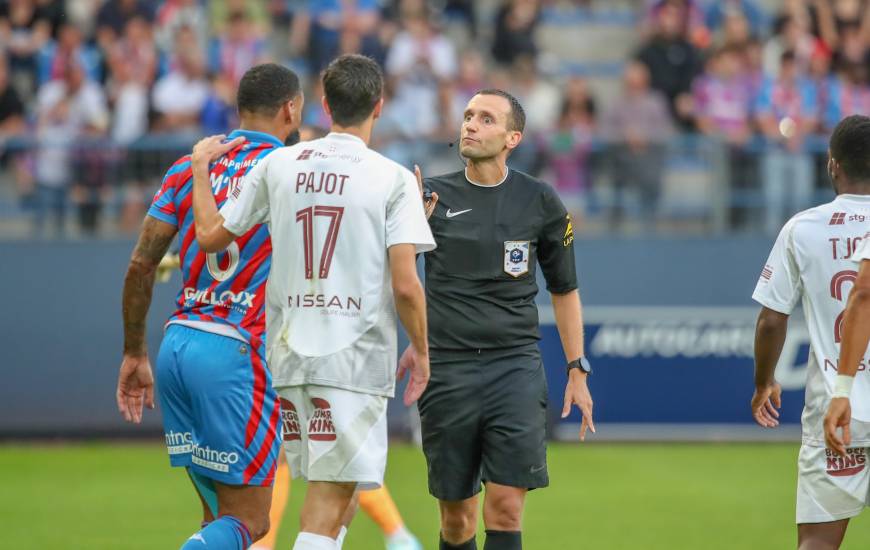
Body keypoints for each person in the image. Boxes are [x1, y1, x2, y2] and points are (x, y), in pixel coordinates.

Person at [190, 54, 435, 550]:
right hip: (353, 356)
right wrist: (423, 351)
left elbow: (211, 237)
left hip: (288, 353)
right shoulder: (391, 179)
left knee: (340, 493)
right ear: (379, 106)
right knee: (328, 500)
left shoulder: (279, 163)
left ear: (324, 105)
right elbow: (406, 285)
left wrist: (200, 170)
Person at [116, 62, 304, 549]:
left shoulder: (187, 167)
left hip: (178, 346)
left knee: (216, 518)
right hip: (238, 352)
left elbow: (141, 265)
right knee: (252, 522)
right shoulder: (292, 169)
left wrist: (134, 351)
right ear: (291, 108)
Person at [405, 88, 594, 550]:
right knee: (456, 518)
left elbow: (565, 291)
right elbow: (397, 277)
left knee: (507, 508)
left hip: (514, 367)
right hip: (448, 370)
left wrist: (577, 368)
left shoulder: (540, 201)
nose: (470, 124)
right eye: (468, 115)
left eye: (485, 118)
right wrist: (407, 228)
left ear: (513, 137)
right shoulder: (428, 196)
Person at [252, 123, 423, 550]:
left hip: (286, 347)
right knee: (333, 473)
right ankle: (397, 536)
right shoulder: (368, 181)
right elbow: (399, 279)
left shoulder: (281, 179)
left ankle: (394, 535)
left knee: (334, 476)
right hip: (337, 350)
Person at [750, 114, 870, 550]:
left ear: (832, 164)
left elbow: (771, 319)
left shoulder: (803, 228)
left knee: (818, 543)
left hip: (836, 409)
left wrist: (764, 382)